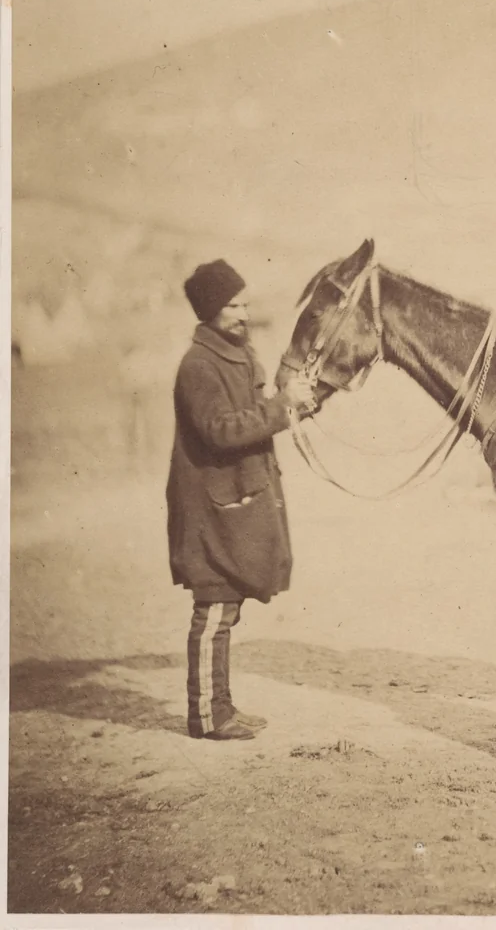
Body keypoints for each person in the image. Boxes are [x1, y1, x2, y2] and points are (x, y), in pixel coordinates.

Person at [166, 259, 315, 742]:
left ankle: (222, 706)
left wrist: (292, 403)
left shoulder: (238, 353)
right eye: (233, 305)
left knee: (226, 607)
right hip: (211, 505)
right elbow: (221, 430)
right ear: (209, 309)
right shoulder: (198, 366)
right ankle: (206, 717)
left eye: (246, 303)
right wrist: (280, 406)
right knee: (213, 609)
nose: (244, 313)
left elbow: (258, 414)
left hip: (235, 499)